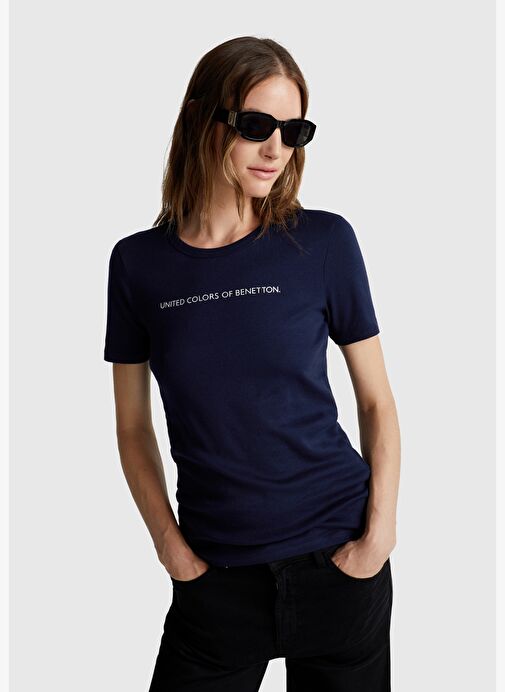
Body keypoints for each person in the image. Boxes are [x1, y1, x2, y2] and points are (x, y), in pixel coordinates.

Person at [103, 35, 401, 692]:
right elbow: (131, 425)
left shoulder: (322, 241)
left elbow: (376, 400)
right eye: (256, 126)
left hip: (338, 563)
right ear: (202, 119)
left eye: (293, 132)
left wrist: (378, 535)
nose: (276, 150)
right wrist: (170, 547)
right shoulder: (137, 264)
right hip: (216, 581)